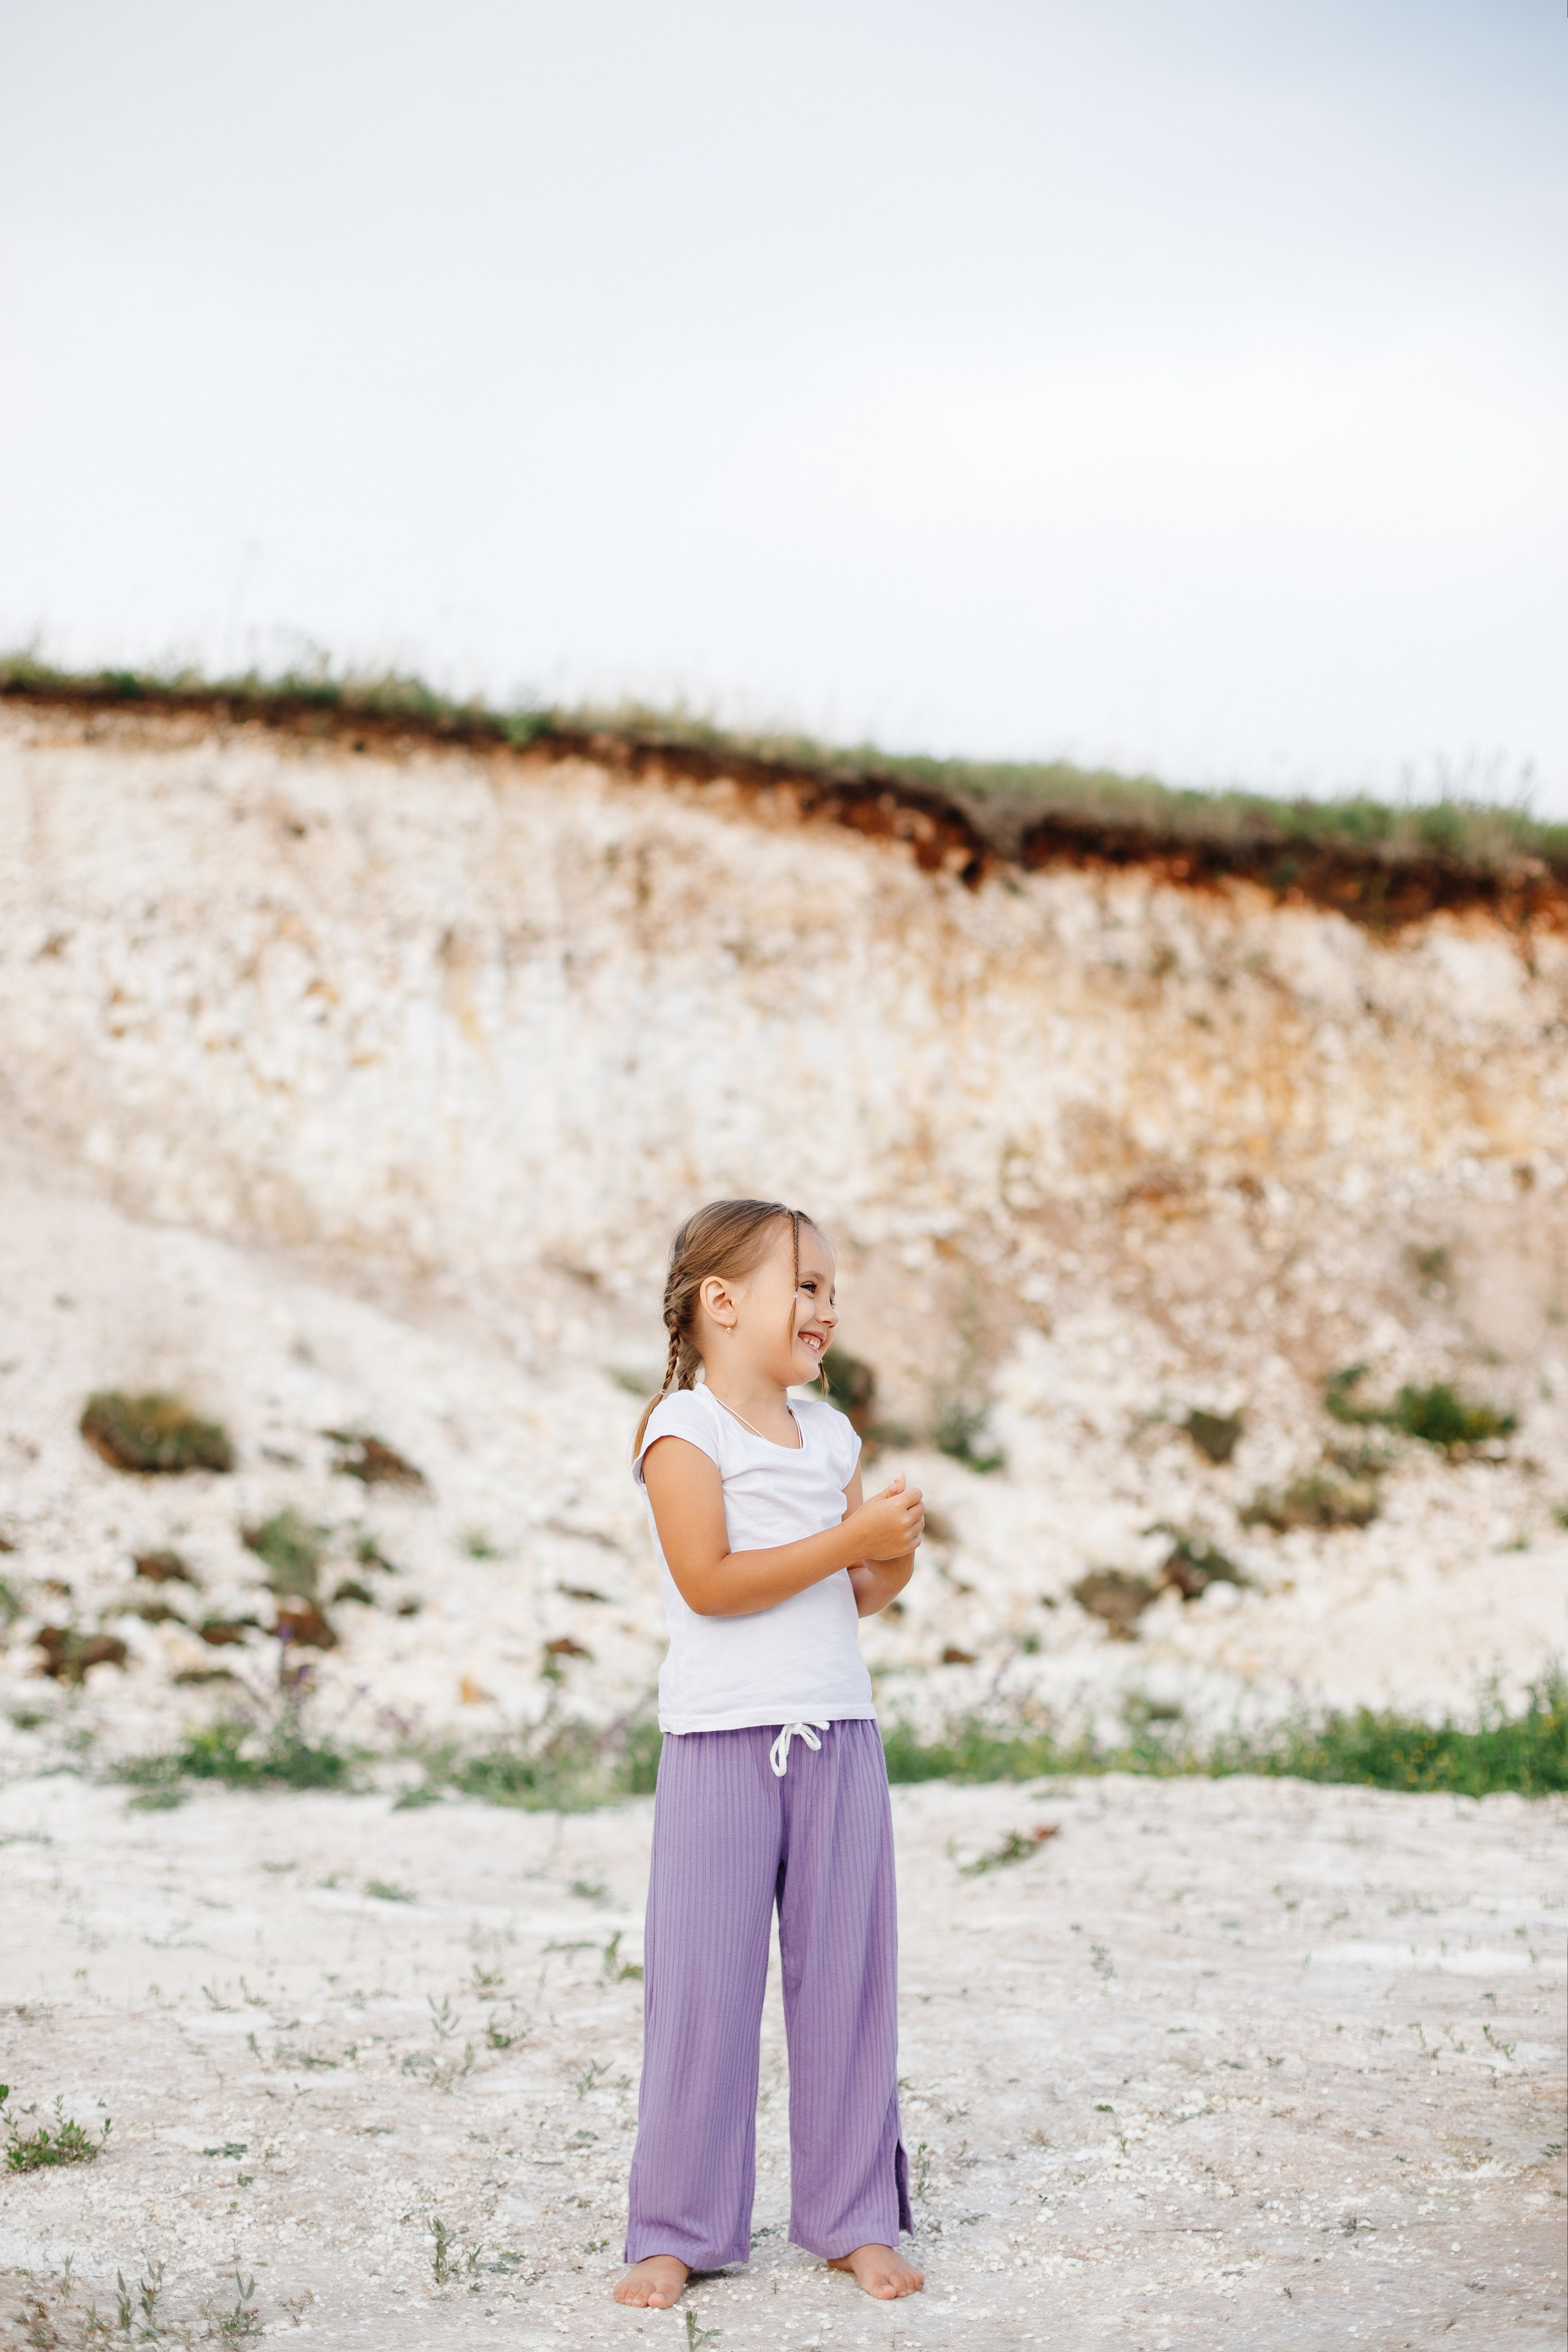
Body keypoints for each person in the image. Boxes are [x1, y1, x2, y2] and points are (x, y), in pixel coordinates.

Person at [612, 1198, 926, 2312]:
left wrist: (890, 1556)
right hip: (720, 1743)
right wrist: (849, 1540)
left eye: (833, 1291)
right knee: (705, 1990)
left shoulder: (830, 1435)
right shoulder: (682, 1431)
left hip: (839, 1735)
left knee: (848, 1984)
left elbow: (850, 1593)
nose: (826, 1308)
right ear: (722, 1301)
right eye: (805, 1285)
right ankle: (677, 2229)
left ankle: (854, 2217)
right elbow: (709, 1581)